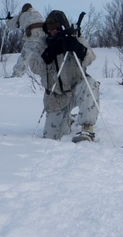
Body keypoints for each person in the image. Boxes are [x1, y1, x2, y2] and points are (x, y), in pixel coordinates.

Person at [26, 10, 99, 142]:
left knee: (90, 84)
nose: (52, 32)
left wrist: (78, 49)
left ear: (62, 27)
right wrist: (49, 53)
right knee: (52, 138)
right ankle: (69, 120)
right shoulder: (43, 44)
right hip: (56, 98)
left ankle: (87, 128)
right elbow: (34, 67)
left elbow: (91, 57)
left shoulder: (76, 38)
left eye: (55, 29)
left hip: (76, 89)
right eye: (49, 30)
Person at [4, 3, 45, 78]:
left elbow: (12, 25)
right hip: (44, 37)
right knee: (44, 57)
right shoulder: (37, 13)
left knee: (24, 57)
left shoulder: (22, 14)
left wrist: (8, 19)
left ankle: (17, 75)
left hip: (33, 37)